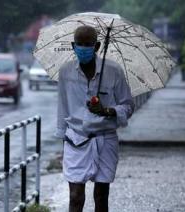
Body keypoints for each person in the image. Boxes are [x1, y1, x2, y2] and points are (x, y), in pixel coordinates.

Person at [55, 25, 135, 212]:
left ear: (97, 46)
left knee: (101, 196)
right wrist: (63, 142)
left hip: (105, 139)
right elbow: (62, 107)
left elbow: (128, 105)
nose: (83, 48)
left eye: (88, 44)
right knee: (75, 197)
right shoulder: (65, 72)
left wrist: (107, 110)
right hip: (75, 139)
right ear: (73, 46)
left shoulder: (114, 71)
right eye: (80, 44)